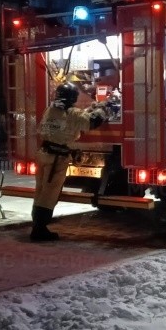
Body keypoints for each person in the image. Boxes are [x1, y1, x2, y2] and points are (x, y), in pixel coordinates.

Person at [31, 82, 109, 241]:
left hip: (43, 153)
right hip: (56, 159)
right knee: (50, 193)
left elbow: (76, 118)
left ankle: (37, 225)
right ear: (73, 97)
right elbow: (91, 122)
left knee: (41, 191)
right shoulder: (72, 113)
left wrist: (91, 108)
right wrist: (104, 107)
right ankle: (40, 229)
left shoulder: (51, 109)